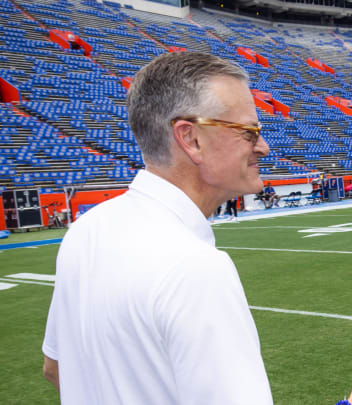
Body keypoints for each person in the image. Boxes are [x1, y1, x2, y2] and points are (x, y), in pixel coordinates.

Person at [41, 52, 274, 404]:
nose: (263, 146)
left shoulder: (86, 230)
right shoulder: (195, 267)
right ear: (191, 139)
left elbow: (55, 368)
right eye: (248, 131)